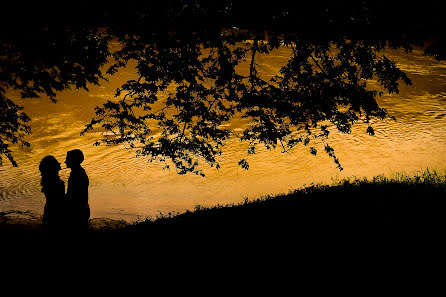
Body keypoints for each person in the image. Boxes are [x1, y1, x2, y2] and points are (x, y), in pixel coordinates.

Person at [39, 155, 66, 234]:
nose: (59, 164)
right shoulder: (56, 183)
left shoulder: (48, 182)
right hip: (55, 214)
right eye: (57, 163)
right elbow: (59, 201)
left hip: (50, 212)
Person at [65, 149, 90, 233]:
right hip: (83, 209)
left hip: (78, 211)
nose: (65, 162)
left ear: (73, 161)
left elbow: (72, 195)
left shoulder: (76, 175)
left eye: (67, 159)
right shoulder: (79, 172)